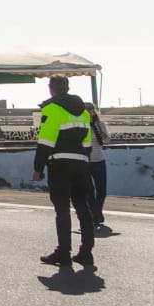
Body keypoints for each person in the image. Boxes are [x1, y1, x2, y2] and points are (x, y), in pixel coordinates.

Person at [32, 76, 96, 268]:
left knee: (62, 209)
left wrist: (38, 168)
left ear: (51, 88)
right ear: (67, 88)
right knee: (83, 207)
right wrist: (84, 162)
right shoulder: (83, 111)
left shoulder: (52, 108)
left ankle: (63, 252)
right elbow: (87, 143)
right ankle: (86, 252)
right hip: (81, 163)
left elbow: (46, 141)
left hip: (60, 164)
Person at [87, 101, 110, 229]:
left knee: (102, 190)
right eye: (85, 109)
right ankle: (94, 214)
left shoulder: (100, 124)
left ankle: (97, 211)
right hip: (86, 161)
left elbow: (107, 139)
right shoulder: (81, 125)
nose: (88, 111)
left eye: (90, 109)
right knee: (89, 190)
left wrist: (103, 135)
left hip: (99, 159)